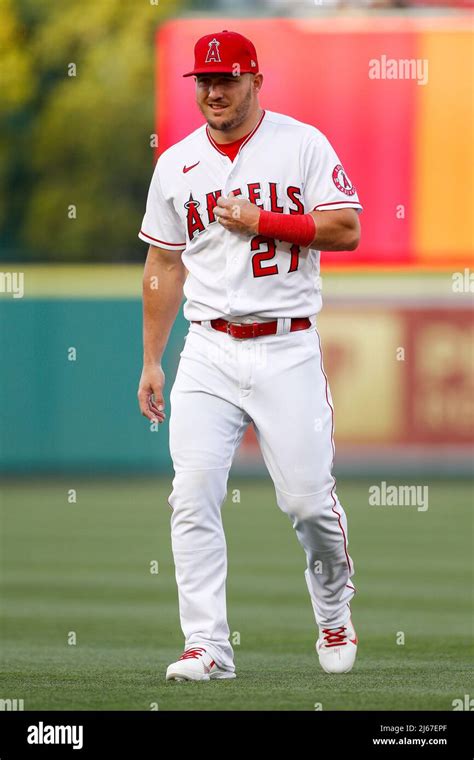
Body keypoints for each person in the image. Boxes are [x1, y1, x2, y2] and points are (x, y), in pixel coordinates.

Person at [137, 30, 362, 681]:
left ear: (254, 79)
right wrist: (153, 359)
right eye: (203, 81)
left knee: (308, 503)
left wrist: (266, 221)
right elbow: (161, 263)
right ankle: (207, 646)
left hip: (286, 345)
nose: (213, 91)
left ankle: (333, 608)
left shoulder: (302, 145)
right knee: (193, 494)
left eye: (226, 79)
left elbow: (347, 227)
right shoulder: (177, 164)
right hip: (207, 350)